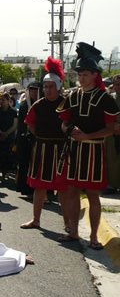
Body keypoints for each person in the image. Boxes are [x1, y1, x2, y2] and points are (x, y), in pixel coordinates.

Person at [57, 42, 120, 249]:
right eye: (79, 73)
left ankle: (93, 237)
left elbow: (112, 128)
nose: (81, 77)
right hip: (75, 151)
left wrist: (88, 136)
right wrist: (68, 129)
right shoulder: (72, 96)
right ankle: (74, 232)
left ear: (95, 75)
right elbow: (64, 121)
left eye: (85, 73)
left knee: (93, 195)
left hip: (94, 151)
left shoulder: (105, 99)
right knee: (72, 192)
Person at [20, 58, 69, 230]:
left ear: (58, 87)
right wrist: (42, 138)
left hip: (61, 150)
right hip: (41, 148)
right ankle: (36, 220)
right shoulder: (38, 105)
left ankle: (68, 224)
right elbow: (31, 125)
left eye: (51, 86)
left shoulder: (66, 104)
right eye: (45, 86)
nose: (47, 90)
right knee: (39, 187)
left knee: (62, 189)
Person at [16, 82, 41, 196]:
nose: (34, 93)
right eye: (32, 90)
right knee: (25, 164)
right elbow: (21, 124)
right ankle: (25, 188)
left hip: (40, 138)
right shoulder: (24, 105)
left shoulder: (43, 104)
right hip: (26, 140)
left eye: (36, 90)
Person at [0, 92, 17, 179]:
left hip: (9, 137)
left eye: (3, 100)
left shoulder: (13, 112)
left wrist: (6, 133)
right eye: (0, 100)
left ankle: (5, 173)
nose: (1, 102)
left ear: (8, 100)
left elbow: (15, 125)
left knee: (7, 157)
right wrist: (0, 133)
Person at [103, 74, 120, 194]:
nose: (119, 87)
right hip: (111, 134)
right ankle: (112, 185)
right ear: (113, 85)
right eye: (117, 84)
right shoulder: (109, 99)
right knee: (111, 160)